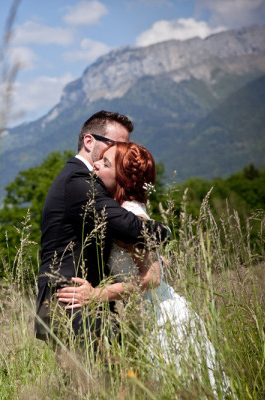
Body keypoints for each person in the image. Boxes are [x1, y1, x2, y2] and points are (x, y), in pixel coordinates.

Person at [57, 142, 231, 395]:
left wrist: (95, 295)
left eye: (105, 164)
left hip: (162, 320)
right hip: (141, 319)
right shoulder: (120, 211)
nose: (94, 164)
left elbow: (152, 277)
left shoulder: (130, 216)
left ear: (123, 179)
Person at [34, 110, 169, 344]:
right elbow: (128, 225)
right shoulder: (77, 182)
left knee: (103, 379)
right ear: (89, 141)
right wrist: (165, 233)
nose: (123, 153)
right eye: (117, 144)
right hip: (69, 299)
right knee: (97, 378)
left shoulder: (86, 181)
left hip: (83, 300)